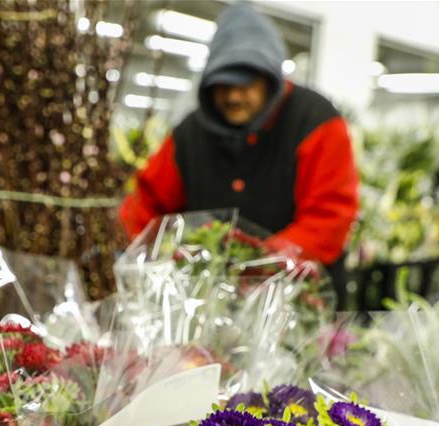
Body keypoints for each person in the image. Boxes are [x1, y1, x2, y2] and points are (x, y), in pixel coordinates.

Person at [119, 2, 358, 266]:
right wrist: (127, 251)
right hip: (208, 292)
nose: (233, 96)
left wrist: (256, 265)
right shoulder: (190, 133)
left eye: (244, 85)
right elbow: (146, 204)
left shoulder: (315, 121)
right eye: (223, 85)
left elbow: (329, 218)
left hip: (300, 293)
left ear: (269, 79)